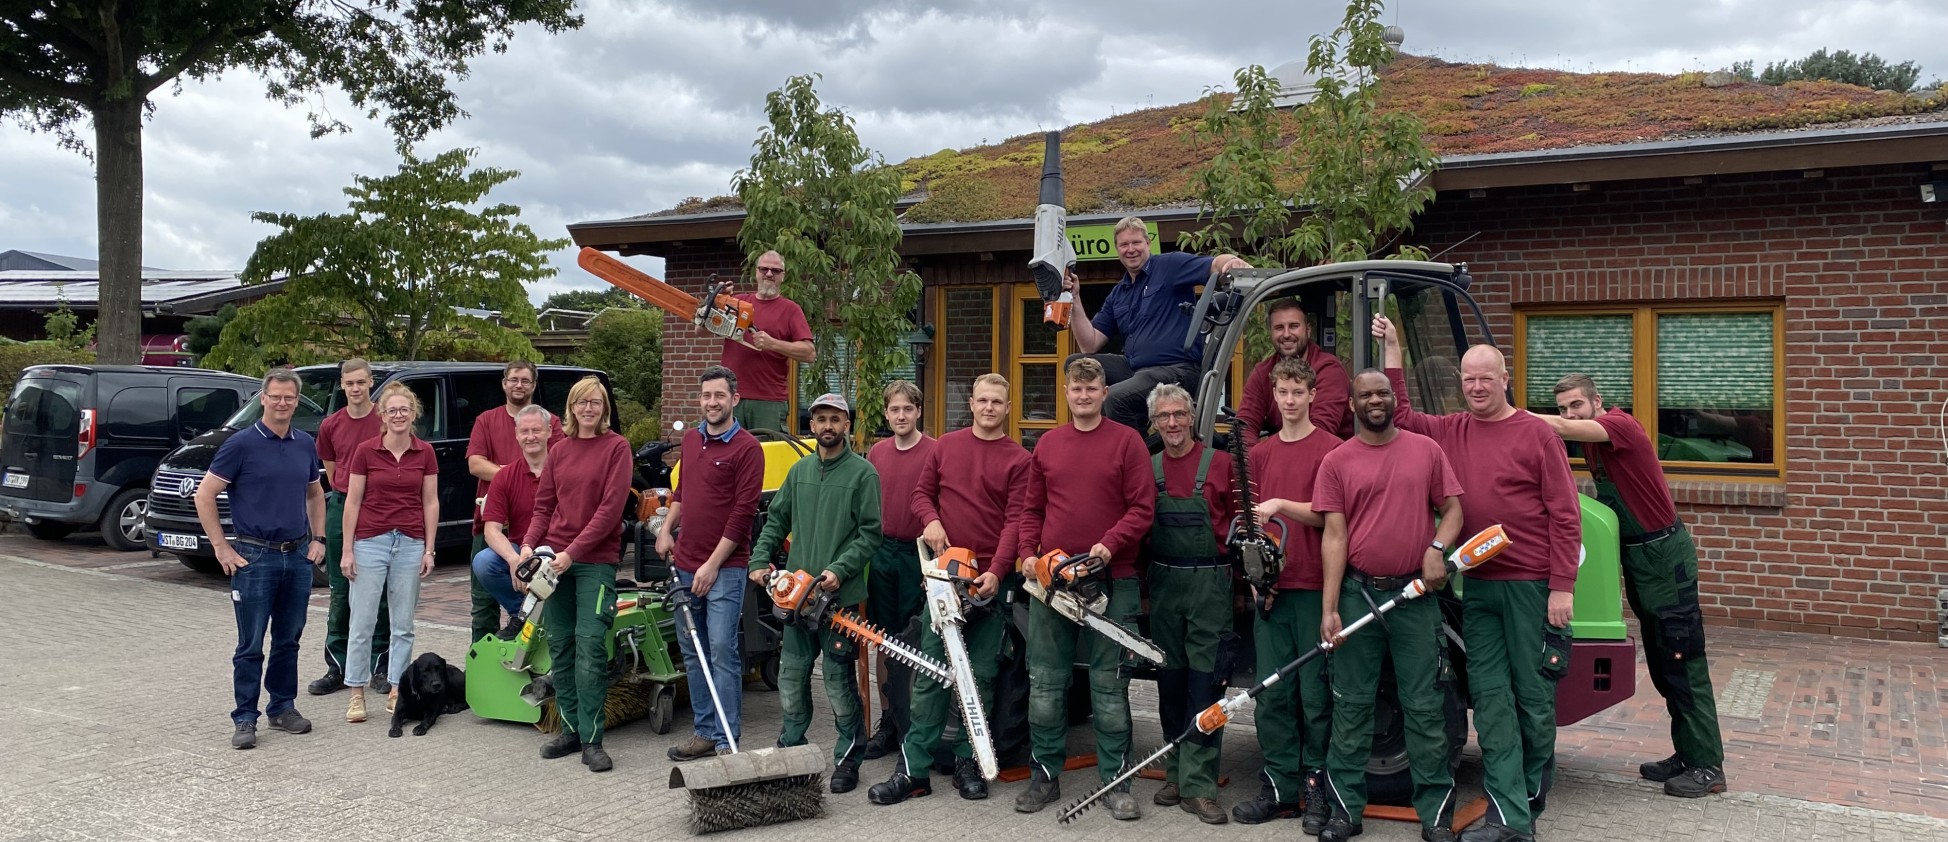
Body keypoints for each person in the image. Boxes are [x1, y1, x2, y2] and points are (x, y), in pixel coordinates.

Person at [1376, 317, 1581, 842]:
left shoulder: (1537, 434)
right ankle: (1508, 817)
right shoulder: (1453, 430)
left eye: (1486, 378)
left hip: (1531, 587)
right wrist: (1394, 349)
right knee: (1490, 702)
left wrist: (1562, 586)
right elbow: (1402, 416)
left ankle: (1526, 805)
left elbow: (1566, 516)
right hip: (1480, 587)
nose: (1476, 386)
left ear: (1505, 379)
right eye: (1468, 379)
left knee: (1533, 701)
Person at [1539, 374, 1727, 798]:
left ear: (1597, 402)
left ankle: (1708, 766)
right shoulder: (1593, 440)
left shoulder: (1619, 426)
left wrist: (1506, 415)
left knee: (1682, 660)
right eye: (1563, 408)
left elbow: (1564, 429)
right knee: (1663, 663)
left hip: (1664, 557)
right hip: (1642, 559)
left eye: (1576, 405)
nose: (1570, 415)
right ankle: (1688, 753)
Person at [1313, 369, 1467, 842]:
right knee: (1351, 706)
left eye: (1383, 392)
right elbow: (1334, 537)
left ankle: (1435, 815)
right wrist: (1330, 608)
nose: (1376, 400)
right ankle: (1345, 813)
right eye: (1366, 394)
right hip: (1358, 597)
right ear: (1352, 404)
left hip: (1415, 598)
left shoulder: (1426, 450)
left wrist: (1437, 548)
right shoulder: (1337, 461)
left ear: (1393, 399)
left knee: (1425, 707)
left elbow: (1454, 510)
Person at [869, 373, 1027, 805]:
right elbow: (922, 495)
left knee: (982, 678)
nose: (989, 408)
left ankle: (968, 763)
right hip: (943, 581)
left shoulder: (1019, 460)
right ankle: (914, 770)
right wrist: (932, 520)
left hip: (987, 584)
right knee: (930, 675)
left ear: (1007, 407)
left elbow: (1016, 520)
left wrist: (997, 571)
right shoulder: (947, 448)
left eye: (997, 401)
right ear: (971, 404)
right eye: (982, 400)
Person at [1013, 357, 1156, 818]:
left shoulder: (1127, 442)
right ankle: (1044, 777)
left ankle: (1117, 783)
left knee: (1109, 687)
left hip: (1112, 579)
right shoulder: (1048, 444)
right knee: (1045, 683)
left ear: (1104, 392)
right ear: (1066, 393)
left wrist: (1109, 546)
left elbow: (1142, 507)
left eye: (1092, 388)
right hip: (1053, 584)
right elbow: (1031, 510)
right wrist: (1028, 553)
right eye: (1076, 388)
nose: (1083, 395)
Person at [748, 392, 883, 794]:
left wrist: (839, 570)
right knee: (791, 678)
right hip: (796, 597)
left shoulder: (863, 474)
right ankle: (792, 749)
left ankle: (848, 758)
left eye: (835, 419)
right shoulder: (799, 471)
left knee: (838, 684)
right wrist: (759, 559)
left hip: (839, 599)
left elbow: (870, 533)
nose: (828, 426)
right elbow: (776, 520)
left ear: (847, 426)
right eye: (821, 419)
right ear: (812, 425)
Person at [1232, 357, 1341, 829]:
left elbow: (1330, 516)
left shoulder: (1332, 450)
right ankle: (1278, 787)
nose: (1290, 400)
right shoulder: (1259, 454)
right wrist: (1257, 583)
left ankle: (1316, 789)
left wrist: (1280, 504)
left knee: (1315, 697)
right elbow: (1249, 528)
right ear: (1274, 397)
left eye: (1298, 392)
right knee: (1273, 694)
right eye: (1283, 393)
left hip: (1314, 587)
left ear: (1313, 395)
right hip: (1272, 593)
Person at [196, 367, 324, 750]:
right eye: (275, 396)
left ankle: (282, 708)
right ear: (263, 399)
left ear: (296, 402)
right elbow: (204, 495)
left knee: (288, 640)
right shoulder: (240, 444)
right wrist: (221, 547)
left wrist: (318, 539)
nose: (282, 403)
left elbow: (315, 493)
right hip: (254, 557)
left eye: (289, 397)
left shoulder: (305, 443)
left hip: (297, 556)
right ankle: (245, 718)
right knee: (250, 644)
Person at [519, 376, 633, 773]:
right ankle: (569, 731)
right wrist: (529, 545)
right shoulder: (560, 450)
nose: (588, 408)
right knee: (561, 647)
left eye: (595, 402)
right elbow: (544, 507)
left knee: (590, 648)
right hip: (556, 564)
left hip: (593, 562)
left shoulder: (617, 448)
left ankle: (592, 739)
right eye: (582, 402)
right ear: (571, 408)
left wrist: (573, 553)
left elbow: (610, 511)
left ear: (604, 408)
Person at [660, 366, 765, 762]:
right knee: (694, 650)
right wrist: (665, 529)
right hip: (685, 562)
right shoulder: (691, 439)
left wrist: (712, 565)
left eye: (719, 395)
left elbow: (742, 515)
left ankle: (726, 739)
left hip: (726, 568)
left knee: (721, 649)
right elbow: (682, 492)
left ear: (734, 399)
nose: (712, 402)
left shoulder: (748, 449)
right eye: (706, 396)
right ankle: (704, 732)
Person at [1142, 383, 1236, 824]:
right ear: (1154, 423)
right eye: (1164, 416)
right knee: (1170, 682)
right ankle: (1175, 773)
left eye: (1179, 414)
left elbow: (1242, 527)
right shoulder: (1148, 467)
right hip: (1163, 581)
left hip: (1210, 583)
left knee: (1206, 683)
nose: (1173, 423)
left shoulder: (1222, 464)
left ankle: (1200, 785)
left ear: (1193, 417)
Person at [1060, 216, 1251, 431]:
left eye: (1136, 242)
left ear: (1148, 243)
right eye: (1124, 244)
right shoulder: (1119, 293)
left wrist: (1231, 262)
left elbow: (1213, 264)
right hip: (1135, 370)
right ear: (1117, 249)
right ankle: (1097, 432)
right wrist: (1074, 298)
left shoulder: (1170, 266)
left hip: (1176, 370)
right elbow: (1089, 344)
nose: (1131, 249)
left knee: (1116, 397)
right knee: (1075, 363)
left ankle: (1128, 449)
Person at [339, 382, 440, 724]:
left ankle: (398, 688)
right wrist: (348, 550)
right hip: (370, 541)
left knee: (403, 624)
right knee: (362, 622)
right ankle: (356, 692)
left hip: (410, 543)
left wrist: (429, 549)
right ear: (382, 416)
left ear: (414, 414)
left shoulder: (425, 452)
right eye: (392, 410)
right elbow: (352, 502)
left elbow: (430, 502)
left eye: (404, 410)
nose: (398, 415)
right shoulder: (366, 451)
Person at [862, 380, 937, 761]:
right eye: (895, 409)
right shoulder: (877, 453)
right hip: (883, 552)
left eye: (908, 409)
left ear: (919, 411)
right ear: (886, 413)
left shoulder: (935, 451)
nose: (902, 416)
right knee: (884, 639)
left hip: (918, 553)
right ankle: (889, 721)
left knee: (917, 638)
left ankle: (916, 722)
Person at [466, 361, 562, 643]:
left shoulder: (553, 425)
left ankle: (533, 617)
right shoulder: (487, 420)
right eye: (513, 379)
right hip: (503, 523)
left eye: (525, 380)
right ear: (504, 383)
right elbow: (475, 464)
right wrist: (511, 476)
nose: (519, 385)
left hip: (552, 542)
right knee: (483, 585)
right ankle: (519, 619)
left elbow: (559, 457)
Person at [309, 358, 389, 697]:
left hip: (379, 507)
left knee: (380, 591)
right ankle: (338, 667)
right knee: (341, 590)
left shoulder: (385, 419)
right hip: (342, 505)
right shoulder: (331, 425)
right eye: (349, 383)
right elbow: (332, 471)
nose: (355, 388)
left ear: (371, 382)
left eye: (361, 382)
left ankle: (381, 664)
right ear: (342, 385)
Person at [721, 249, 814, 433]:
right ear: (756, 272)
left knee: (767, 449)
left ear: (783, 276)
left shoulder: (790, 309)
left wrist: (773, 344)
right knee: (725, 449)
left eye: (776, 270)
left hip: (768, 401)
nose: (769, 274)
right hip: (730, 396)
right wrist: (717, 298)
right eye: (764, 269)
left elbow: (809, 353)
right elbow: (700, 328)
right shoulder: (737, 302)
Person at [1235, 298, 1352, 444]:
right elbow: (1245, 425)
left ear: (1308, 330)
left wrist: (1271, 454)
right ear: (1270, 332)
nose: (1286, 334)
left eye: (1293, 326)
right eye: (1279, 328)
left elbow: (1320, 432)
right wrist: (1252, 456)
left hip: (1329, 455)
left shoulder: (1329, 369)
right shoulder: (1262, 373)